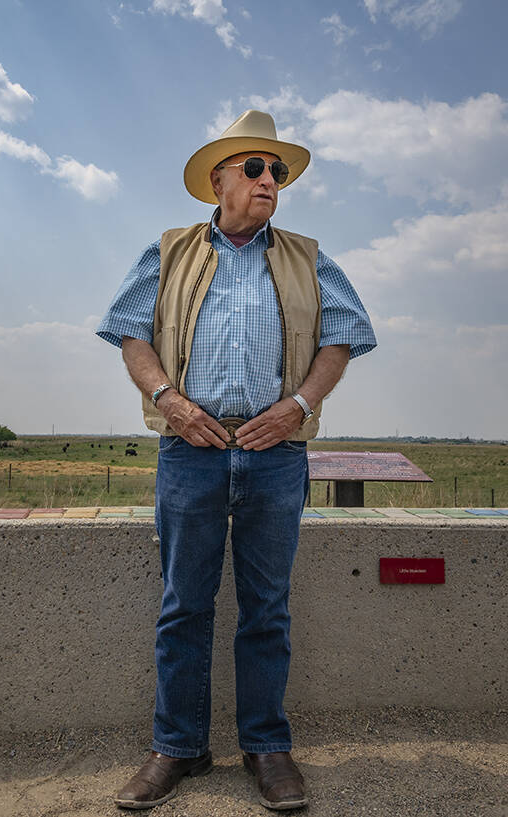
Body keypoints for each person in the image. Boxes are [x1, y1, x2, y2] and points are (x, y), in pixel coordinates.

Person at [96, 110, 376, 810]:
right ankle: (177, 748)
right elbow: (130, 336)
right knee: (183, 603)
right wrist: (170, 400)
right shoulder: (167, 250)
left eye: (277, 171)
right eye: (254, 168)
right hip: (189, 450)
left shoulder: (309, 257)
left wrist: (299, 407)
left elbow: (342, 338)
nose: (269, 181)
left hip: (277, 454)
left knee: (267, 608)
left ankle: (267, 747)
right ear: (217, 179)